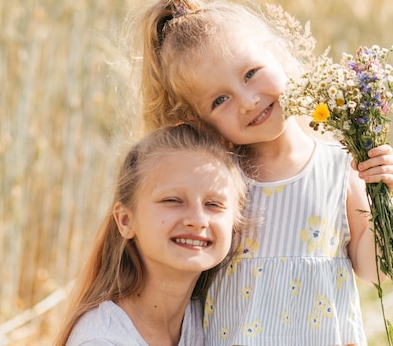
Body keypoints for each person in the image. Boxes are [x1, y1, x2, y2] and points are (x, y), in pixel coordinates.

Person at [128, 0, 393, 345]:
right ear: (200, 119)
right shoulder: (217, 184)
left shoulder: (339, 164)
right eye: (220, 100)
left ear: (280, 55)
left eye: (251, 73)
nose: (247, 101)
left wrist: (382, 195)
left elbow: (375, 271)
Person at [55, 123, 248, 346]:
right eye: (172, 200)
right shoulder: (101, 340)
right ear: (126, 220)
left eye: (213, 204)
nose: (197, 220)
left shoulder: (213, 319)